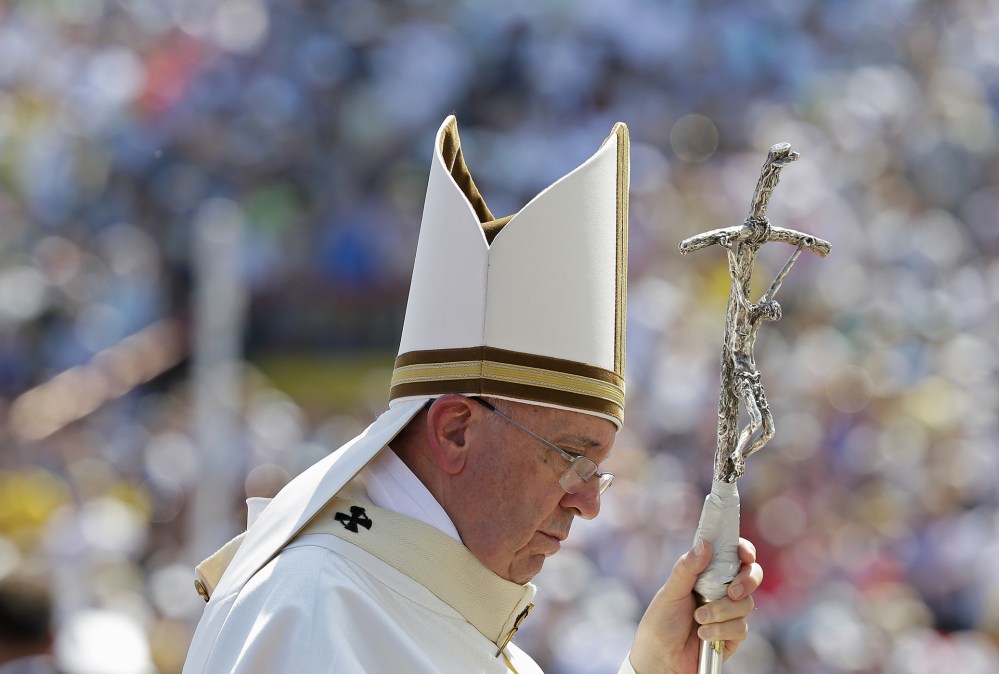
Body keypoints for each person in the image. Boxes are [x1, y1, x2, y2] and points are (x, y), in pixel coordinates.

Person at [183, 116, 762, 673]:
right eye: (572, 458)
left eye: (598, 471)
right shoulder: (309, 606)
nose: (589, 504)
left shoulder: (457, 628)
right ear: (455, 429)